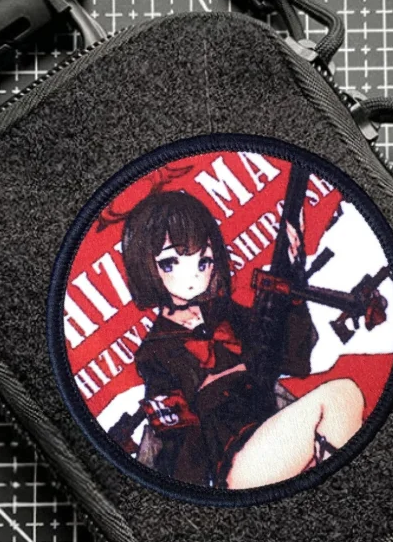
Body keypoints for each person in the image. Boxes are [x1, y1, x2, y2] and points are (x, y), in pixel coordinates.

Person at [120, 190, 364, 489]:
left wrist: (293, 279)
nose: (192, 276)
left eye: (203, 262)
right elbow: (178, 442)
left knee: (344, 400)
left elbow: (294, 360)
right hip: (233, 463)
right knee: (339, 395)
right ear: (145, 267)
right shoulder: (156, 352)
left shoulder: (227, 314)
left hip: (273, 437)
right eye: (170, 263)